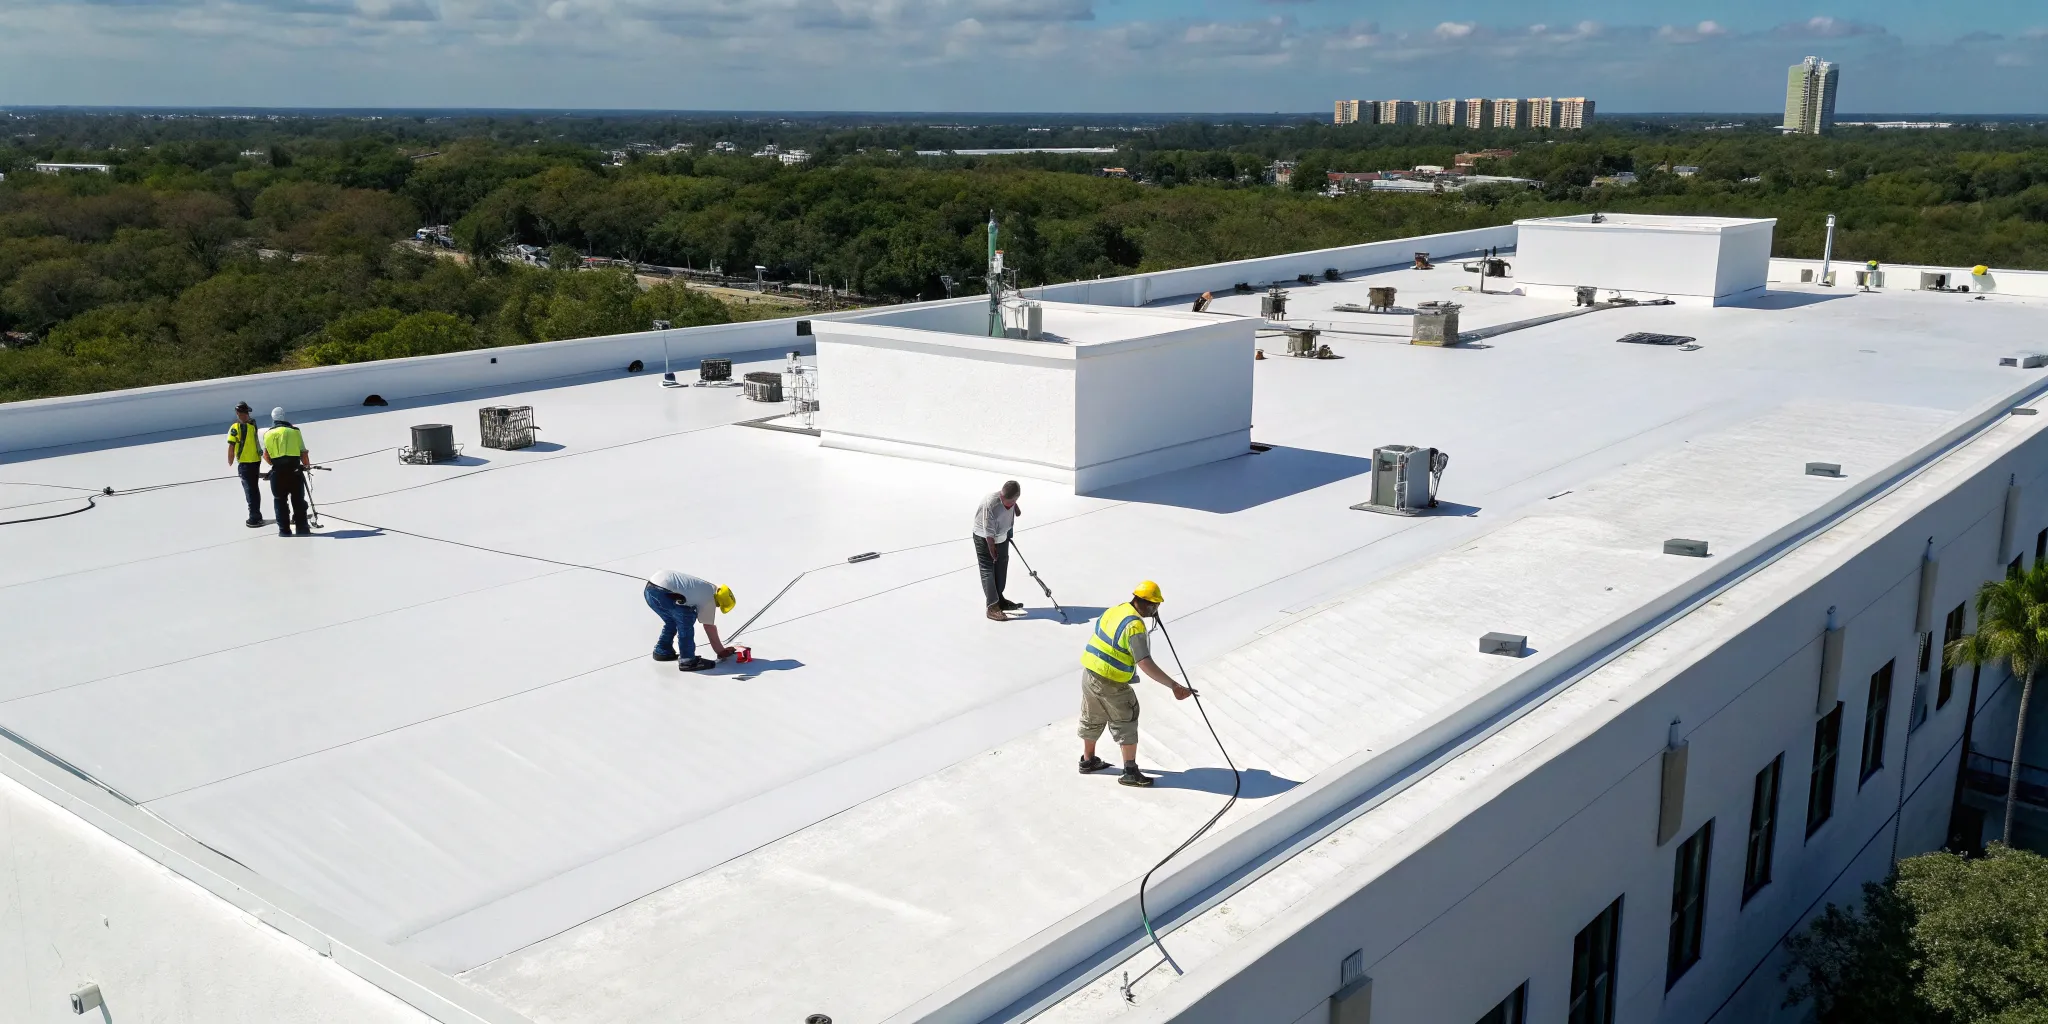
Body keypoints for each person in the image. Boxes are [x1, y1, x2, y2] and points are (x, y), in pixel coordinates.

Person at [1078, 581, 1192, 787]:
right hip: (1111, 681)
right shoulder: (1135, 626)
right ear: (1148, 604)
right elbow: (1145, 662)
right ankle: (1130, 771)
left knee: (1092, 716)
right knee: (1126, 719)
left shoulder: (1116, 610)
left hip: (1090, 673)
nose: (1157, 610)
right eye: (1156, 605)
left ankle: (1088, 761)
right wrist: (1174, 686)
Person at [645, 569, 736, 672]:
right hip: (665, 593)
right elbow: (709, 628)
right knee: (686, 618)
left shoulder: (706, 587)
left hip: (650, 589)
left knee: (672, 621)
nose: (717, 607)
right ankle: (687, 660)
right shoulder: (710, 598)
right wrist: (721, 651)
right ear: (718, 600)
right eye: (718, 605)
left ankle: (662, 651)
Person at [973, 480, 1023, 621]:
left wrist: (1016, 509)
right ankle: (992, 606)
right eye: (1004, 500)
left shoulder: (1011, 501)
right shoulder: (991, 503)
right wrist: (992, 548)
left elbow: (1013, 508)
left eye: (1012, 502)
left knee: (1002, 565)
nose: (1006, 503)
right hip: (984, 538)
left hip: (1002, 535)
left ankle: (999, 599)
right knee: (988, 568)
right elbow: (988, 531)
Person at [261, 407, 312, 537]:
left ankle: (284, 530)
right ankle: (302, 529)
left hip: (278, 474)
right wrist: (306, 465)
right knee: (298, 501)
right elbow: (303, 453)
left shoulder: (267, 434)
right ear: (284, 417)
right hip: (294, 472)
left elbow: (266, 455)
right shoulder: (295, 431)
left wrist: (276, 464)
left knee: (279, 501)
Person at [227, 401, 265, 528]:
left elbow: (231, 446)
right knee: (254, 489)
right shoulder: (253, 424)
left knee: (249, 490)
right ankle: (257, 514)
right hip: (255, 461)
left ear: (238, 413)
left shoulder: (235, 428)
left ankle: (254, 517)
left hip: (245, 463)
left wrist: (230, 460)